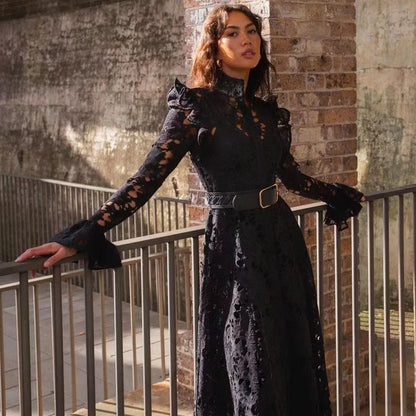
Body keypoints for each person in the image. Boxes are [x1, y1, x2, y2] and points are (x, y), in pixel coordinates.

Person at [16, 4, 364, 415]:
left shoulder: (265, 113)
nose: (246, 40)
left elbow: (289, 176)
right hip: (236, 244)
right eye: (232, 33)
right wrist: (83, 234)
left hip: (281, 238)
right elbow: (145, 179)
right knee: (251, 357)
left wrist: (337, 194)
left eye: (251, 31)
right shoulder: (194, 107)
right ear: (214, 47)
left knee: (289, 348)